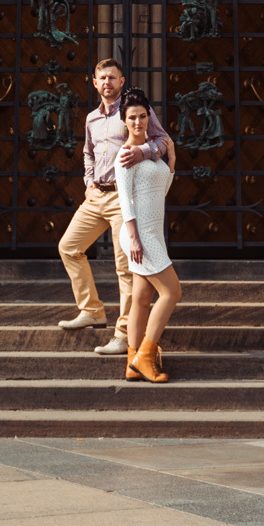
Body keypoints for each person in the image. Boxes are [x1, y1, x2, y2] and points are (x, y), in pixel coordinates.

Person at [55, 56, 166, 357]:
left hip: (123, 197)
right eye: (102, 78)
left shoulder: (133, 112)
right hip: (96, 197)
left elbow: (163, 141)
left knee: (125, 266)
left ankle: (122, 333)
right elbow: (88, 152)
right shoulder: (91, 118)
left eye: (113, 78)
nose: (107, 83)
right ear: (94, 82)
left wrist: (144, 152)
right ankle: (91, 309)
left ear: (121, 81)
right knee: (68, 247)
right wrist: (88, 181)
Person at [113, 89, 179, 384]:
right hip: (139, 235)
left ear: (148, 116)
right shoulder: (126, 155)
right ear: (124, 121)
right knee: (172, 292)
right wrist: (135, 239)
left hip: (153, 232)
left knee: (141, 298)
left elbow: (160, 193)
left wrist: (172, 160)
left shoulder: (153, 152)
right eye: (132, 118)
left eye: (142, 116)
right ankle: (145, 356)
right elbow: (125, 201)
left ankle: (131, 361)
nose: (138, 122)